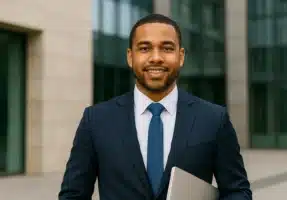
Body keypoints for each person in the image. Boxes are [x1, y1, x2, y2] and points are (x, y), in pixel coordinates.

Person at [58, 13, 252, 200]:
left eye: (167, 48)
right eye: (144, 48)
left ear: (181, 56)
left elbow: (238, 191)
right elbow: (73, 195)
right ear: (130, 57)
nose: (156, 57)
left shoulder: (214, 119)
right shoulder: (96, 120)